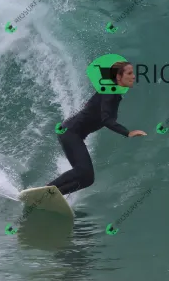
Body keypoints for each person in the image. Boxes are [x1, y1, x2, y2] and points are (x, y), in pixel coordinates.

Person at [46, 62, 147, 195]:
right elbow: (106, 119)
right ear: (118, 77)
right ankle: (46, 189)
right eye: (129, 73)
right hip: (71, 132)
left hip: (75, 134)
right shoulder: (109, 92)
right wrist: (127, 132)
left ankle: (52, 195)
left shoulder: (113, 93)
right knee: (82, 171)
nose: (133, 76)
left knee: (88, 179)